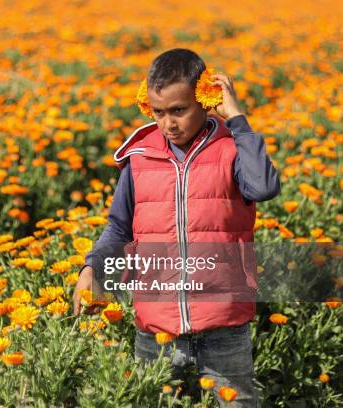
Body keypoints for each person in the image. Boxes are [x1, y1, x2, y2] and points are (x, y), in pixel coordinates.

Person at [72, 48, 280, 407]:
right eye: (159, 112)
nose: (168, 123)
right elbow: (119, 229)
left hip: (224, 327)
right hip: (155, 331)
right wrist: (93, 268)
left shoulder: (231, 149)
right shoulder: (139, 158)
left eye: (179, 110)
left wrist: (238, 119)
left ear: (204, 100)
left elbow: (263, 187)